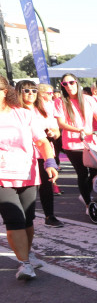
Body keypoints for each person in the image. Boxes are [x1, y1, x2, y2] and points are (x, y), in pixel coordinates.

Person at [0, 75, 58, 280]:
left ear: (5, 91)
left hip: (28, 173)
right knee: (14, 219)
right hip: (2, 177)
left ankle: (27, 253)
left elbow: (42, 141)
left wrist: (50, 162)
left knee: (27, 220)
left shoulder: (24, 115)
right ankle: (24, 264)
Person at [55, 73, 97, 206]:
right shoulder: (60, 101)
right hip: (73, 145)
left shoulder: (88, 99)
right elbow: (61, 124)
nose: (69, 86)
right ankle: (87, 202)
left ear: (77, 83)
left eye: (71, 82)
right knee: (82, 173)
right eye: (65, 84)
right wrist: (79, 130)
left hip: (90, 142)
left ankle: (84, 194)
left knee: (96, 171)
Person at [17, 81, 62, 228]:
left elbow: (57, 132)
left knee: (46, 185)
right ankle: (22, 217)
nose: (31, 93)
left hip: (44, 151)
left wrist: (52, 132)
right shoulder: (15, 110)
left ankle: (50, 216)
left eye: (34, 91)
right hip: (24, 154)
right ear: (19, 92)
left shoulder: (44, 109)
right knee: (25, 187)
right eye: (27, 90)